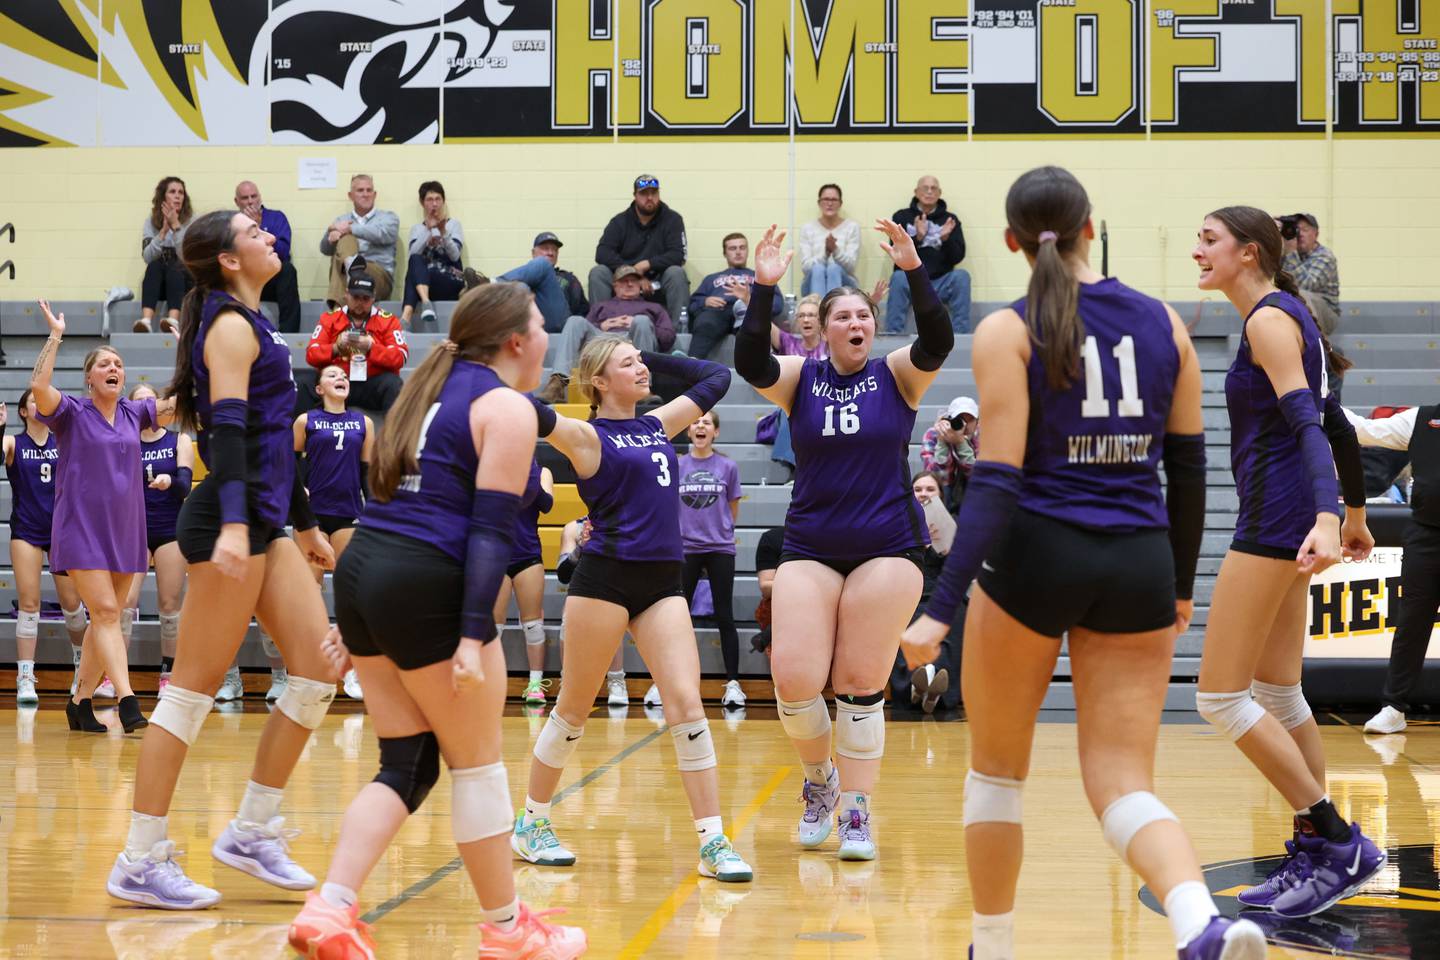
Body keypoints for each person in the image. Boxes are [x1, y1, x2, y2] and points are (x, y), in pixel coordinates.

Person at [898, 165, 1265, 960]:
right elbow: (1190, 469)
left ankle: (992, 948)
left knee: (997, 777)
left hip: (1035, 557)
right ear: (1090, 228)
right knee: (1124, 784)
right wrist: (1177, 586)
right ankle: (1199, 921)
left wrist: (940, 607)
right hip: (1138, 560)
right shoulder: (1164, 323)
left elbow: (997, 481)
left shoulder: (1008, 329)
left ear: (1010, 242)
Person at [287, 282, 587, 958]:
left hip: (367, 569)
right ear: (516, 341)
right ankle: (509, 933)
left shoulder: (427, 389)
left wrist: (360, 618)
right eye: (541, 326)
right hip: (426, 582)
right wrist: (474, 633)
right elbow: (490, 532)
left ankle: (331, 906)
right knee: (478, 769)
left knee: (407, 763)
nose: (548, 337)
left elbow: (387, 501)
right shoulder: (504, 406)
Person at [110, 208, 338, 910]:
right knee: (188, 695)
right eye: (253, 231)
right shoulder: (231, 327)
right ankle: (139, 859)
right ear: (229, 260)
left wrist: (304, 523)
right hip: (225, 521)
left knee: (317, 673)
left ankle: (252, 831)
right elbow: (228, 435)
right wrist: (238, 526)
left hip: (264, 519)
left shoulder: (254, 321)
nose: (269, 234)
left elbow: (274, 438)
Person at [733, 220, 952, 862]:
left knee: (859, 680)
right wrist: (764, 288)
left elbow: (937, 339)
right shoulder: (799, 377)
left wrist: (914, 269)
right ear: (824, 329)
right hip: (811, 545)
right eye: (843, 316)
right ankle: (819, 781)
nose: (856, 323)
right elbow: (749, 362)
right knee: (795, 681)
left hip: (888, 546)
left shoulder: (897, 374)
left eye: (864, 316)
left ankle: (857, 809)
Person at [1190, 205, 1384, 919]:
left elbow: (1309, 424)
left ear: (1249, 252)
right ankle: (1315, 847)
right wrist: (1353, 511)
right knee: (1278, 693)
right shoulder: (1285, 316)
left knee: (1219, 698)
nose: (1197, 251)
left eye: (1209, 239)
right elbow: (1338, 425)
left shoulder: (1269, 322)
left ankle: (1337, 842)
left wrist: (1331, 517)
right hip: (1293, 511)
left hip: (1277, 517)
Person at [513, 336, 754, 883]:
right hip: (605, 580)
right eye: (629, 364)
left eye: (641, 361)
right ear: (599, 381)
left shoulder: (657, 424)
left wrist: (648, 354)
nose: (642, 368)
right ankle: (531, 822)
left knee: (688, 704)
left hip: (662, 584)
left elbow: (716, 377)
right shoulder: (585, 436)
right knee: (573, 710)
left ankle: (712, 840)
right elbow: (527, 409)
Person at [32, 304, 175, 734]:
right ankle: (128, 701)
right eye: (105, 364)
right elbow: (39, 385)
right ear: (90, 378)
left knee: (104, 618)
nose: (114, 368)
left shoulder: (136, 412)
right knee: (109, 612)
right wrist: (56, 335)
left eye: (119, 364)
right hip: (81, 529)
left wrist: (189, 350)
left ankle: (79, 703)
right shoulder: (71, 412)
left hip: (126, 529)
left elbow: (179, 403)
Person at [1342, 404, 1440, 735]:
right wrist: (1318, 398)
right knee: (1412, 622)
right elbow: (1363, 430)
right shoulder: (1421, 419)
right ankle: (1394, 707)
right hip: (1426, 536)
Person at [294, 364, 375, 701]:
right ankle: (310, 671)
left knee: (350, 592)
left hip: (347, 513)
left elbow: (367, 471)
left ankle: (353, 667)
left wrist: (373, 511)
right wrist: (299, 491)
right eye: (331, 375)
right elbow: (292, 462)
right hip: (311, 515)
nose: (340, 378)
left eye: (343, 375)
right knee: (309, 593)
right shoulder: (305, 421)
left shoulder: (363, 423)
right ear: (319, 389)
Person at [3, 390, 88, 705]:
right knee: (29, 604)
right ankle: (25, 677)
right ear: (23, 412)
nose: (39, 404)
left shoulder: (62, 441)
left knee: (72, 605)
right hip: (26, 530)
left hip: (61, 531)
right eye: (32, 401)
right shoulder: (13, 443)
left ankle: (82, 669)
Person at [122, 383, 193, 697]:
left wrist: (170, 481)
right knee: (125, 604)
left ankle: (168, 674)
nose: (147, 406)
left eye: (151, 400)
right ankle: (114, 676)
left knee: (169, 605)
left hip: (169, 529)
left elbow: (185, 487)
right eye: (139, 402)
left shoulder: (179, 440)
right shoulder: (125, 442)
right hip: (133, 530)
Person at [678, 411, 744, 706]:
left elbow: (732, 509)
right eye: (696, 422)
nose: (701, 426)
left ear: (715, 432)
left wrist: (719, 532)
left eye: (707, 422)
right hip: (685, 549)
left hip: (719, 548)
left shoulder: (728, 467)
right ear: (688, 431)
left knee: (725, 615)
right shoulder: (677, 465)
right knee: (677, 618)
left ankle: (733, 684)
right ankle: (671, 683)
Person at [535, 265, 674, 404]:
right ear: (615, 286)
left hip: (632, 342)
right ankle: (557, 385)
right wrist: (601, 325)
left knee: (642, 321)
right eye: (624, 281)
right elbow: (582, 330)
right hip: (602, 341)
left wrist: (639, 323)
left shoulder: (654, 307)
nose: (629, 284)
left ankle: (642, 387)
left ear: (640, 285)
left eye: (633, 280)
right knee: (575, 320)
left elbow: (668, 338)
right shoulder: (601, 306)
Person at [891, 471, 955, 715]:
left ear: (940, 495)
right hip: (906, 591)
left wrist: (945, 549)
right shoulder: (897, 524)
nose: (923, 494)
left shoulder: (952, 525)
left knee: (944, 628)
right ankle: (918, 686)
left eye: (930, 489)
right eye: (918, 489)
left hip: (942, 592)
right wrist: (920, 544)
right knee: (905, 624)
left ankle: (929, 684)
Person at [302, 270, 409, 413]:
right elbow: (311, 354)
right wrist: (336, 348)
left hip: (372, 383)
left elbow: (400, 356)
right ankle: (304, 427)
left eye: (366, 298)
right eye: (356, 297)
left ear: (373, 298)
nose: (360, 303)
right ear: (346, 294)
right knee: (305, 383)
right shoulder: (329, 319)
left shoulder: (388, 320)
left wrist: (371, 348)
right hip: (337, 382)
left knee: (393, 384)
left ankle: (393, 429)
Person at [590, 174, 690, 325]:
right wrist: (633, 273)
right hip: (625, 279)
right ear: (635, 196)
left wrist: (647, 264)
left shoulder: (673, 219)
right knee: (598, 273)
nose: (649, 198)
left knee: (676, 273)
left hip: (658, 281)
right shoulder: (619, 221)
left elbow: (678, 254)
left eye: (654, 193)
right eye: (644, 193)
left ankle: (678, 331)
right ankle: (600, 329)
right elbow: (602, 253)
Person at [555, 516, 631, 707]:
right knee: (567, 622)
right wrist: (580, 548)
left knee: (613, 620)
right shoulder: (574, 528)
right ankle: (567, 683)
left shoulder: (620, 525)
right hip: (580, 589)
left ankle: (616, 680)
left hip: (611, 588)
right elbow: (563, 575)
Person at [496, 458, 554, 706]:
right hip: (495, 556)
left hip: (527, 555)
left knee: (533, 625)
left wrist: (528, 473)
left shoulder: (542, 472)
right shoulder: (492, 466)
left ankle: (535, 684)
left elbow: (546, 504)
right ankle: (490, 684)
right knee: (492, 628)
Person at [885, 175, 971, 334]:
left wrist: (945, 239)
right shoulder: (901, 217)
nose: (929, 191)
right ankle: (893, 334)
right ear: (916, 192)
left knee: (962, 276)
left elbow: (958, 257)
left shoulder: (950, 220)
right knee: (897, 277)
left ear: (939, 193)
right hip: (912, 281)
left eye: (933, 188)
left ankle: (961, 335)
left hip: (941, 282)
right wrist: (917, 238)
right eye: (925, 188)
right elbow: (896, 252)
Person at [319, 174, 399, 306]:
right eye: (360, 190)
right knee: (345, 241)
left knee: (346, 239)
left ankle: (338, 308)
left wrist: (350, 229)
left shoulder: (388, 218)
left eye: (369, 190)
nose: (365, 194)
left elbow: (384, 234)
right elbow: (324, 249)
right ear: (350, 196)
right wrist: (330, 236)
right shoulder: (341, 220)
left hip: (379, 275)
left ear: (375, 194)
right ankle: (352, 270)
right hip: (346, 275)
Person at [235, 181, 301, 333]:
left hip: (270, 279)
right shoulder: (232, 222)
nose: (250, 201)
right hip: (244, 278)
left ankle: (288, 334)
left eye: (254, 196)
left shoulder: (276, 217)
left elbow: (283, 253)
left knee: (288, 270)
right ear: (237, 201)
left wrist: (256, 227)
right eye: (245, 198)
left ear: (260, 197)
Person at [402, 180, 466, 328]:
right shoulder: (417, 229)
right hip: (426, 283)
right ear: (422, 203)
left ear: (443, 201)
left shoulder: (453, 225)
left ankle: (406, 316)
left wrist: (443, 232)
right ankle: (425, 303)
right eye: (429, 200)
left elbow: (455, 256)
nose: (434, 204)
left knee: (413, 277)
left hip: (449, 279)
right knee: (415, 261)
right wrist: (428, 230)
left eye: (438, 199)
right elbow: (413, 255)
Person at [500, 232, 588, 333]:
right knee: (520, 286)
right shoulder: (522, 275)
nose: (551, 253)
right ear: (533, 253)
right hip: (529, 325)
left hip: (560, 326)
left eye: (554, 250)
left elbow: (582, 311)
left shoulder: (569, 278)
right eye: (545, 248)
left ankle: (493, 284)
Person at [137, 176, 193, 333]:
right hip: (161, 284)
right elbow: (147, 257)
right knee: (154, 266)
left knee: (175, 265)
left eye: (181, 192)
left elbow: (187, 257)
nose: (177, 196)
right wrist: (162, 232)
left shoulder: (192, 221)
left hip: (185, 283)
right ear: (163, 197)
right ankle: (146, 321)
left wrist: (176, 226)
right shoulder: (151, 222)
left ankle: (173, 320)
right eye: (172, 192)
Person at [1280, 213, 1340, 336]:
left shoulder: (1325, 256)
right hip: (1299, 307)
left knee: (1302, 295)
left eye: (1305, 230)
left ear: (1316, 234)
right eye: (1297, 229)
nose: (1300, 234)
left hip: (1327, 314)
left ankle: (1314, 342)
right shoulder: (1286, 253)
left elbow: (1307, 285)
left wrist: (1291, 252)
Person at [799, 184, 861, 297]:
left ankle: (831, 306)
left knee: (833, 269)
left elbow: (851, 267)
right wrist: (826, 254)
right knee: (818, 269)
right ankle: (822, 306)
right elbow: (806, 269)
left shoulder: (852, 227)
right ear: (819, 203)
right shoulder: (807, 228)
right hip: (811, 284)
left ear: (840, 203)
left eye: (834, 200)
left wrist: (835, 250)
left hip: (846, 285)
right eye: (826, 199)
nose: (830, 203)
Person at [920, 396, 980, 512]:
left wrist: (961, 444)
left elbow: (977, 476)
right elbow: (936, 478)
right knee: (934, 488)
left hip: (971, 491)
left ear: (977, 422)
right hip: (945, 490)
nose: (965, 424)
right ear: (949, 419)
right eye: (960, 419)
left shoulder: (982, 437)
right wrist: (942, 442)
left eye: (970, 420)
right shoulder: (933, 434)